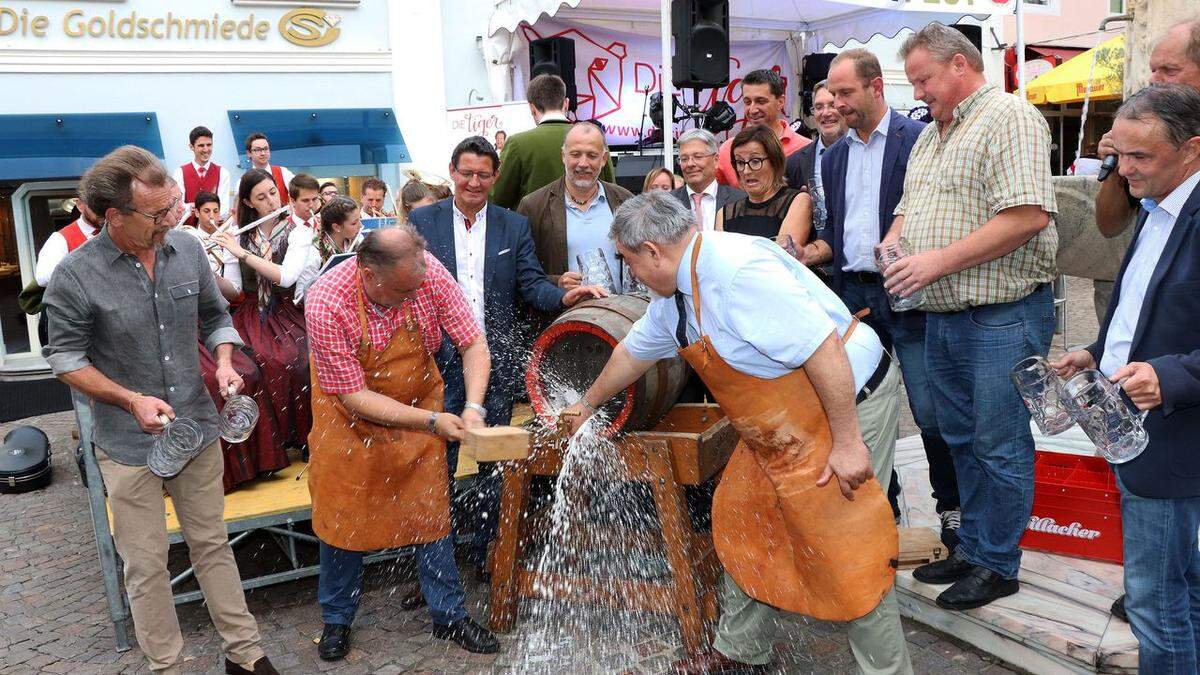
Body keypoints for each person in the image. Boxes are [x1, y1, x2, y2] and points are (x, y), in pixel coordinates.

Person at [561, 192, 910, 675]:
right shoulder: (676, 296)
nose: (629, 273)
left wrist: (848, 443)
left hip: (846, 405)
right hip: (779, 421)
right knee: (745, 519)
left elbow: (824, 351)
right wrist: (585, 405)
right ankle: (741, 652)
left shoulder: (736, 273)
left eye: (628, 261)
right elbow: (633, 353)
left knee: (848, 550)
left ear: (653, 253)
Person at [41, 145, 278, 675]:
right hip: (127, 446)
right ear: (113, 217)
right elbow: (65, 359)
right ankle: (167, 667)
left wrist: (223, 361)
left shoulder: (187, 250)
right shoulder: (75, 275)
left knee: (213, 546)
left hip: (197, 425)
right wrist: (128, 398)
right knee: (146, 567)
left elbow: (216, 315)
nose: (172, 219)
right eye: (157, 213)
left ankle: (246, 656)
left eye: (173, 206)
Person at [885, 23, 1058, 610]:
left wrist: (934, 262)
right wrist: (895, 244)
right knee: (959, 436)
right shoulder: (935, 134)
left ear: (960, 66)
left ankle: (998, 562)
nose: (920, 93)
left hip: (1001, 314)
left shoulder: (1009, 118)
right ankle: (975, 545)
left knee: (999, 441)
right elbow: (909, 208)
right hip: (944, 315)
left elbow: (1029, 214)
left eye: (925, 80)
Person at [410, 135, 608, 580]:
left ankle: (486, 558)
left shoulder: (511, 225)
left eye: (483, 174)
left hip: (494, 363)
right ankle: (433, 572)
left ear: (496, 177)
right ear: (452, 172)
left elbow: (530, 285)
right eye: (466, 173)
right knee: (432, 470)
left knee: (492, 470)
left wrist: (563, 296)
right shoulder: (423, 221)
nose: (474, 182)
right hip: (434, 365)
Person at [1053, 83, 1200, 674]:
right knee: (1180, 590)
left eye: (1141, 158)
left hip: (1171, 433)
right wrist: (1095, 352)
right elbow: (1144, 307)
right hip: (1134, 420)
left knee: (1155, 604)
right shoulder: (1154, 202)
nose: (1125, 171)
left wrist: (1171, 376)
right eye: (1120, 157)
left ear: (1192, 149)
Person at [304, 227, 500, 659]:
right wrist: (431, 421)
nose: (414, 296)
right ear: (370, 275)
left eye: (417, 286)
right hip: (348, 419)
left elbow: (472, 344)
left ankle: (448, 615)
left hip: (418, 407)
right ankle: (336, 618)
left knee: (430, 512)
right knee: (343, 518)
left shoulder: (427, 274)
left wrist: (472, 407)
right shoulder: (326, 301)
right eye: (402, 291)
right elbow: (354, 396)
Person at [799, 48, 960, 547]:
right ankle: (878, 508)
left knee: (929, 408)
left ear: (875, 87)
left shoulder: (920, 140)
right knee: (858, 406)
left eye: (845, 93)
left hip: (908, 293)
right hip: (855, 300)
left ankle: (951, 509)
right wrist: (805, 253)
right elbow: (836, 232)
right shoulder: (836, 156)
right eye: (830, 94)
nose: (837, 103)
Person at [181, 191, 284, 492]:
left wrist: (208, 272)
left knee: (250, 373)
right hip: (184, 335)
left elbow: (229, 296)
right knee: (210, 385)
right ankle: (224, 473)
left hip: (207, 329)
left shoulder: (205, 257)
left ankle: (254, 463)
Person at [212, 170, 314, 452]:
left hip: (286, 310)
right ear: (248, 203)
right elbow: (234, 289)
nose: (271, 200)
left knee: (296, 361)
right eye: (261, 197)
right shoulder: (237, 235)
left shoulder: (299, 232)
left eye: (272, 192)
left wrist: (242, 253)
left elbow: (286, 277)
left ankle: (303, 437)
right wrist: (209, 272)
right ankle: (270, 446)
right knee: (254, 364)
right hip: (251, 313)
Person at [1096, 18, 1200, 238]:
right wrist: (1117, 167)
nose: (1153, 80)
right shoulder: (1145, 130)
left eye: (1169, 70)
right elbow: (1109, 227)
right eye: (1153, 69)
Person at [518, 122, 634, 290]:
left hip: (618, 313)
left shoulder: (624, 200)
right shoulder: (534, 206)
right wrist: (556, 282)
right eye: (575, 154)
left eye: (592, 155)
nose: (583, 163)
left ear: (604, 159)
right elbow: (521, 271)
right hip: (563, 314)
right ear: (563, 156)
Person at [490, 74, 616, 209]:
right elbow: (612, 193)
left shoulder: (517, 144)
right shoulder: (595, 139)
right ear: (566, 103)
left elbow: (497, 198)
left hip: (534, 228)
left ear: (532, 108)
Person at [717, 124, 813, 252]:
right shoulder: (724, 213)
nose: (746, 170)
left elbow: (781, 259)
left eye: (755, 161)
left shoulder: (798, 201)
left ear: (775, 161)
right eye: (740, 162)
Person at [716, 69, 811, 187]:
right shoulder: (727, 149)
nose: (752, 110)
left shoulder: (806, 148)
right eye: (747, 102)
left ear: (781, 102)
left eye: (761, 101)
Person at [672, 129, 747, 232]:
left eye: (697, 157)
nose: (690, 164)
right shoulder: (667, 204)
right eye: (684, 159)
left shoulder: (740, 200)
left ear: (716, 160)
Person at [295, 195, 363, 303]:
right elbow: (300, 295)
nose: (360, 226)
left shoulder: (357, 241)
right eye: (354, 223)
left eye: (360, 220)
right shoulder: (314, 252)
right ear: (336, 227)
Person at [785, 80, 846, 194]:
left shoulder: (865, 153)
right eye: (819, 107)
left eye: (832, 105)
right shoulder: (793, 163)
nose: (826, 113)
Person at [172, 125, 231, 222]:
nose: (206, 149)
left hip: (213, 232)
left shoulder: (223, 173)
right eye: (201, 145)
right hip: (186, 231)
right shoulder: (179, 172)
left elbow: (223, 209)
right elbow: (178, 206)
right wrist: (189, 207)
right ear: (191, 147)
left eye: (209, 145)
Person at [244, 132, 293, 206]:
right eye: (258, 150)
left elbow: (299, 193)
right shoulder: (243, 181)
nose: (263, 153)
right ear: (249, 153)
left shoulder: (283, 172)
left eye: (265, 149)